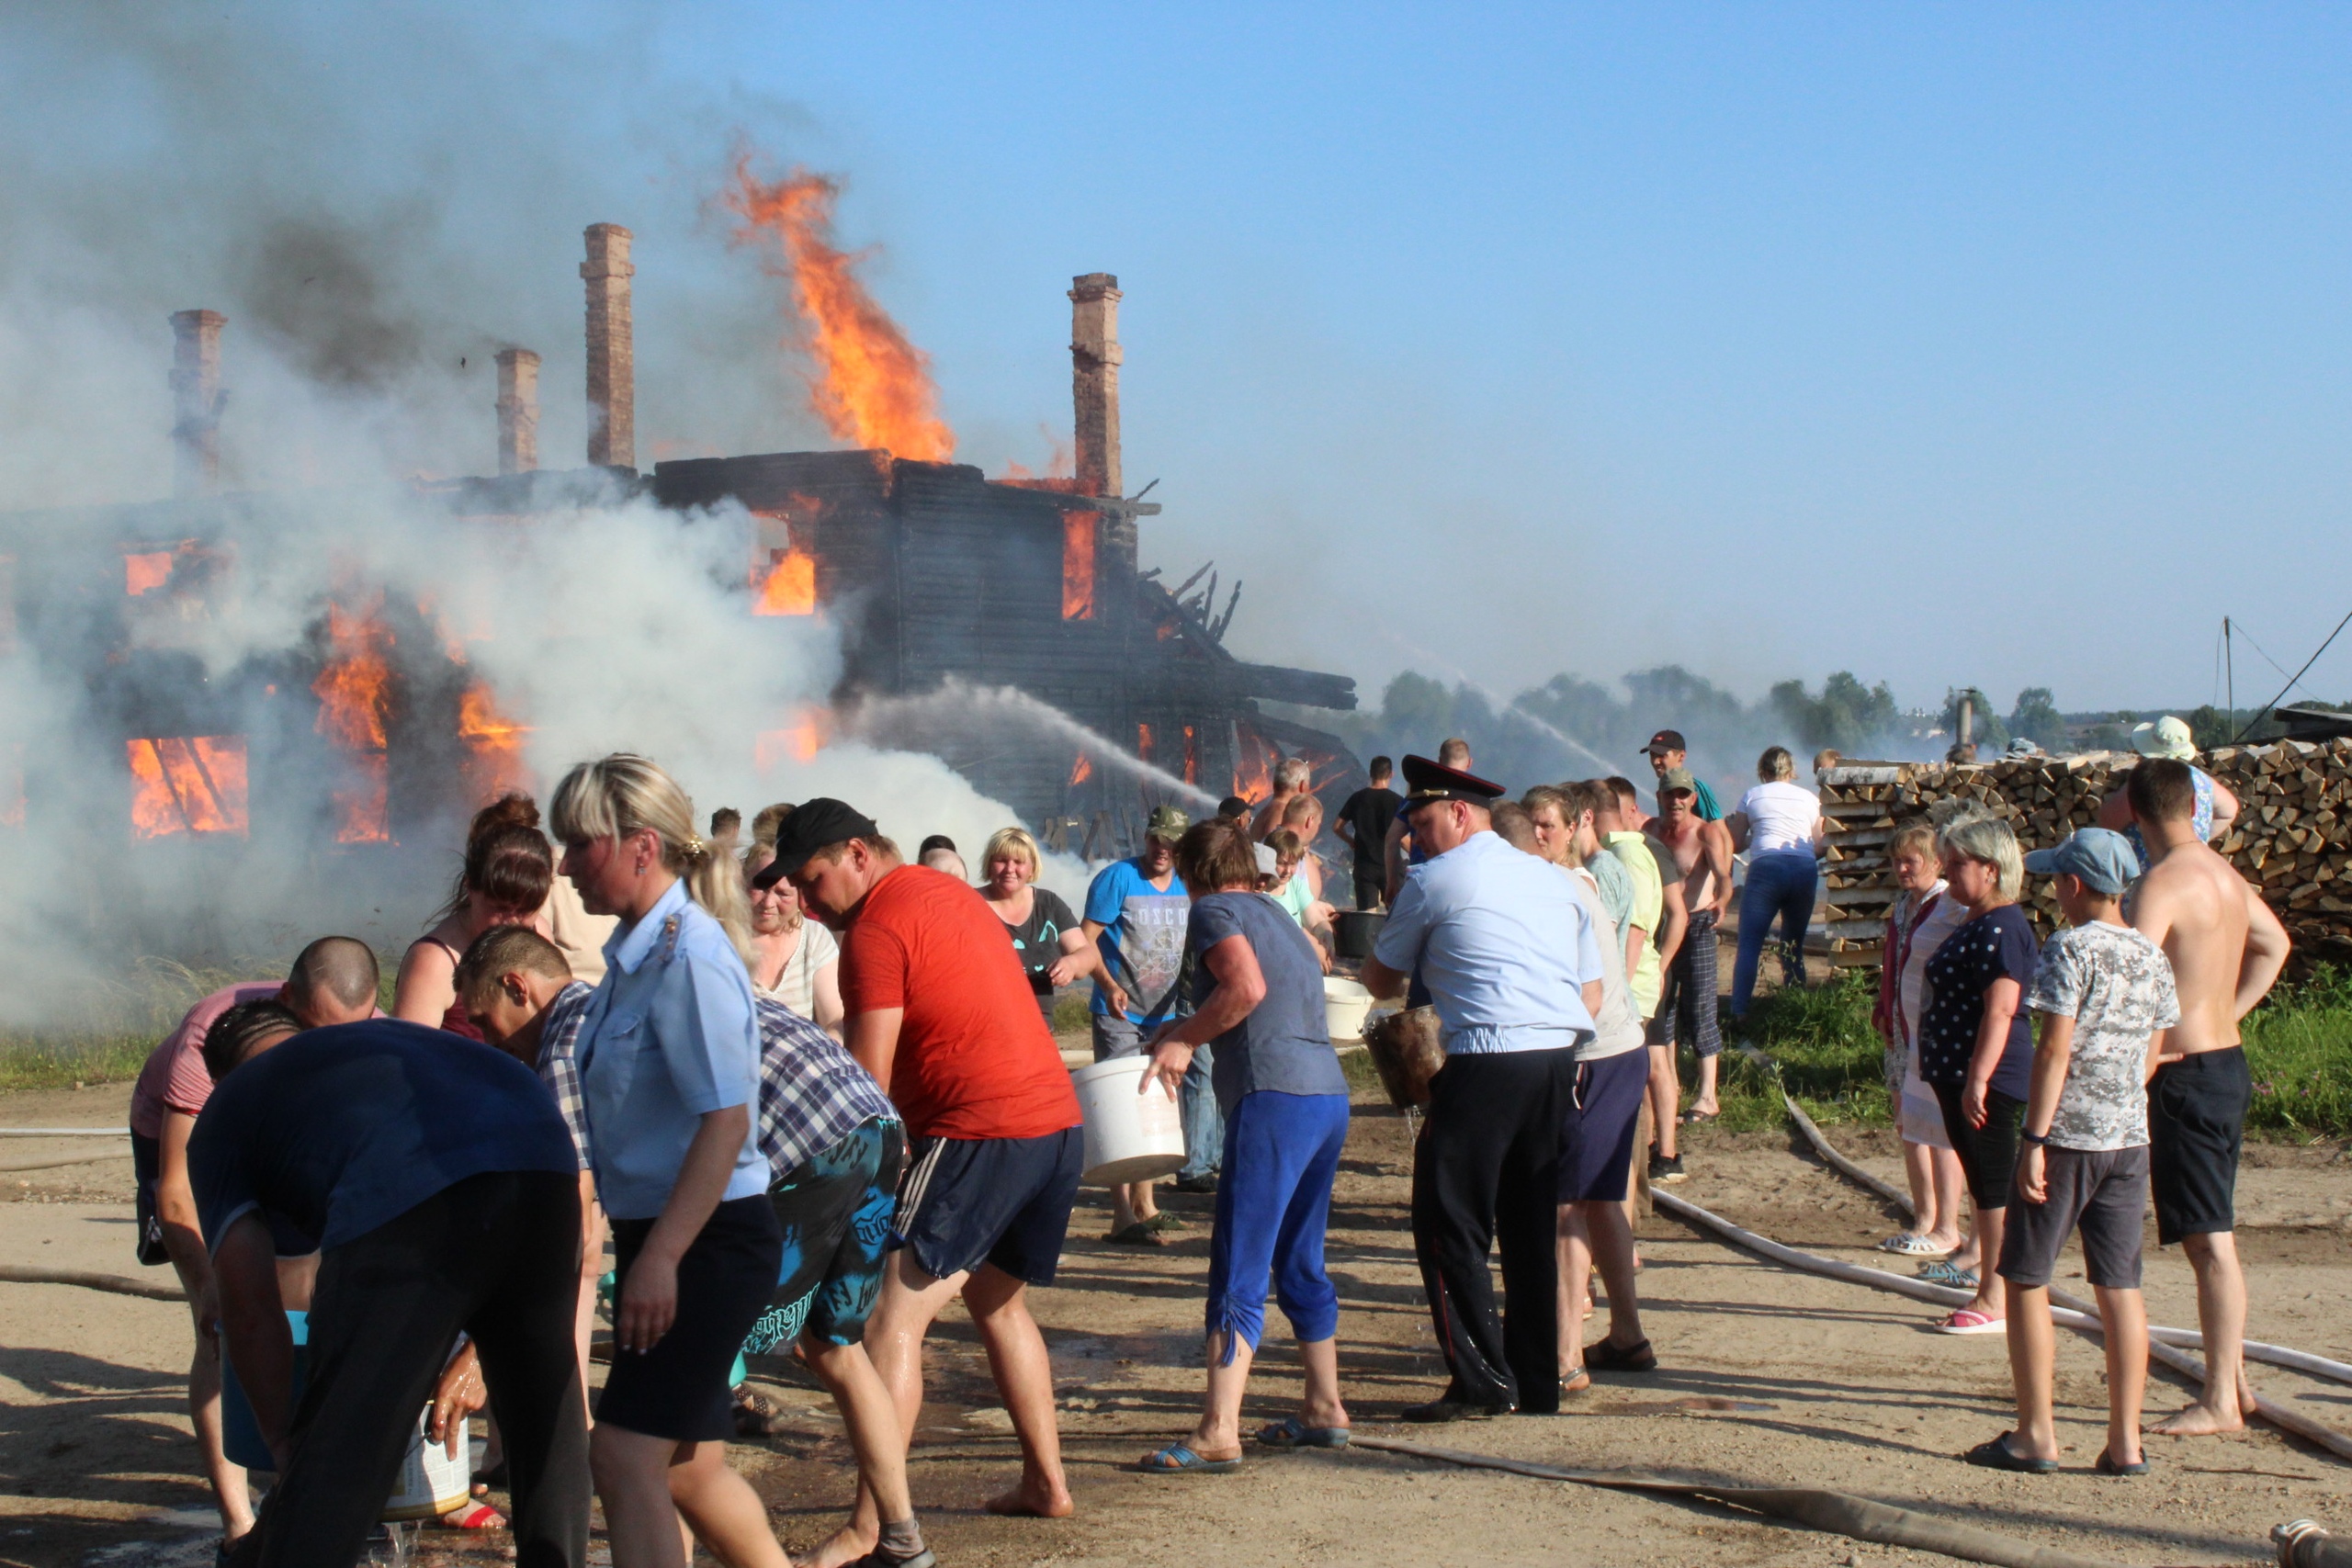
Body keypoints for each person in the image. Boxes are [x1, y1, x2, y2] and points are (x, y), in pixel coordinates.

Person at [764, 799, 1084, 1553]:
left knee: (888, 1321)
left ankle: (873, 1527)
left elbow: (868, 1093)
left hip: (982, 1129)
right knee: (999, 1301)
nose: (809, 904)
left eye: (815, 882)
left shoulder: (873, 930)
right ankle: (1048, 1483)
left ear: (857, 854)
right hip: (1056, 1123)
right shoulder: (943, 891)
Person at [192, 1018, 588, 1568]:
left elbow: (250, 1307)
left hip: (414, 1189)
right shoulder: (365, 1052)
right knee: (545, 1418)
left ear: (219, 1077)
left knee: (341, 1454)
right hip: (546, 1164)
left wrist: (286, 1444)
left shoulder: (226, 1111)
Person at [550, 753, 786, 1568]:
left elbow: (725, 1120)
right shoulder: (635, 955)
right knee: (685, 1469)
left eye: (580, 843)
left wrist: (659, 1258)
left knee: (621, 1455)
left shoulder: (688, 957)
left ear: (640, 846)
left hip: (706, 1241)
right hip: (678, 1235)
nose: (566, 864)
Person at [1362, 755, 1607, 1421]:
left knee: (1448, 1223)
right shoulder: (1554, 880)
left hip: (1487, 1060)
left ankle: (1480, 1379)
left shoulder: (1434, 878)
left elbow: (1381, 981)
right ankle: (1537, 1383)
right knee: (1529, 1225)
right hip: (1556, 1061)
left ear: (1460, 813)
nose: (1414, 836)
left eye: (1422, 820)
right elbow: (1592, 989)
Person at [127, 940, 380, 1555]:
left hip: (296, 1136)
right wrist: (213, 1283)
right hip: (181, 1151)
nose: (333, 1049)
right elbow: (179, 1194)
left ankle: (333, 1484)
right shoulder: (211, 1047)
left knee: (316, 1306)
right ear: (291, 1004)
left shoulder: (366, 1030)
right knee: (222, 1329)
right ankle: (239, 1520)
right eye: (322, 1034)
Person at [1132, 818, 1353, 1472]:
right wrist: (1186, 1024)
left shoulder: (1214, 911)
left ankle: (1218, 1428)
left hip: (1274, 1097)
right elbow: (1282, 986)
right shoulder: (1278, 913)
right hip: (1325, 1094)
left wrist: (1183, 1039)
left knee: (1241, 1256)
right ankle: (1324, 1406)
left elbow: (1246, 989)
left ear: (1192, 872)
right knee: (1299, 1256)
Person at [1967, 829, 2175, 1475]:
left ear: (2076, 885)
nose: (2054, 888)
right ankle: (2125, 1441)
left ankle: (2035, 1433)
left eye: (2058, 878)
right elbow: (2153, 1049)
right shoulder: (2150, 954)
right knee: (2120, 1285)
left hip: (2066, 1138)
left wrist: (2035, 1137)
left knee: (2026, 1276)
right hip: (2128, 1136)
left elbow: (2054, 1048)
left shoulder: (2069, 947)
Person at [2127, 756, 2290, 1437]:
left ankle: (2221, 1396)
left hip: (2186, 1071)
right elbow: (2273, 944)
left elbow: (2135, 979)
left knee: (2209, 1241)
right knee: (2210, 1231)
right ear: (2190, 807)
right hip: (2224, 1060)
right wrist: (2230, 1010)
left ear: (2138, 816)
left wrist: (2133, 1071)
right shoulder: (2226, 874)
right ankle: (2235, 1379)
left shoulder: (2163, 881)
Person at [739, 997, 932, 1567]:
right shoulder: (721, 983)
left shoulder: (608, 1023)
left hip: (819, 1145)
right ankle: (900, 1540)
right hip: (879, 1125)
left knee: (698, 1351)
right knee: (836, 1346)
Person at [1497, 798, 1651, 1391]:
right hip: (1619, 1050)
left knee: (1566, 1205)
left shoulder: (1553, 893)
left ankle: (1564, 1357)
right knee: (1601, 1198)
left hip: (1595, 1056)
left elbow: (1570, 994)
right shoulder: (1568, 881)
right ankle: (1628, 1337)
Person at [454, 926, 605, 1404]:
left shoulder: (561, 1054)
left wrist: (481, 1352)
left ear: (517, 988)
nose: (487, 1040)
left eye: (483, 1020)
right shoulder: (596, 1004)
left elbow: (571, 1224)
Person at [1917, 814, 2037, 1336]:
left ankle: (1995, 1295)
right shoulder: (1975, 920)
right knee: (1982, 1181)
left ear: (1991, 870)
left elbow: (2001, 1010)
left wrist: (1978, 1080)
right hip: (1959, 1073)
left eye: (1959, 864)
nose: (1949, 872)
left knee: (1991, 1188)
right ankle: (1989, 1283)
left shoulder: (2003, 928)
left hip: (1985, 1078)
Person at [1081, 806, 1203, 1230]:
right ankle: (1121, 1217)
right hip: (1118, 1011)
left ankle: (1146, 1206)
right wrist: (1109, 984)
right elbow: (1084, 939)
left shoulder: (1187, 886)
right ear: (1146, 836)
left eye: (1170, 843)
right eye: (1156, 839)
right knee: (1120, 1106)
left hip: (1163, 1014)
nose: (1162, 849)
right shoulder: (1119, 878)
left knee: (1153, 1102)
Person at [1871, 822, 1973, 1267]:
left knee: (1941, 1130)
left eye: (1910, 859)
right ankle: (1924, 1220)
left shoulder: (1949, 905)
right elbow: (1894, 961)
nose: (1902, 867)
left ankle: (1949, 1226)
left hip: (1935, 1035)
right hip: (1901, 1031)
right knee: (1909, 1126)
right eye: (1896, 860)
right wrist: (1883, 1006)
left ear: (1936, 863)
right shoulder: (1902, 906)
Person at [393, 794, 556, 1036]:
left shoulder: (539, 932)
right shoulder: (435, 963)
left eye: (525, 910)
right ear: (470, 888)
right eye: (499, 908)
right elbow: (407, 1057)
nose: (512, 922)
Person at [1595, 778, 1689, 1180]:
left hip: (1641, 977)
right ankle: (1651, 1150)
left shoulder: (1639, 852)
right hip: (1643, 975)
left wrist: (1661, 965)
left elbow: (1675, 914)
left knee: (1653, 1066)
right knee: (1649, 1064)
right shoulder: (1626, 849)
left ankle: (1666, 1153)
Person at [1647, 768, 1733, 1121]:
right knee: (1660, 1008)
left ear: (1693, 798)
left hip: (1697, 924)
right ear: (1660, 797)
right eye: (1670, 794)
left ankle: (1708, 1095)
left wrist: (1723, 901)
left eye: (1682, 795)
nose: (1676, 801)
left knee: (1699, 1010)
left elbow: (1725, 877)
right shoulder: (1649, 832)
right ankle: (1669, 1084)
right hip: (1662, 926)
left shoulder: (1705, 832)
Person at [1725, 747, 1826, 1018]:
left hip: (1766, 870)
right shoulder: (1810, 798)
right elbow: (1820, 844)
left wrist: (1753, 839)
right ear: (1791, 771)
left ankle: (1739, 1013)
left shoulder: (1751, 796)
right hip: (1804, 870)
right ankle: (1797, 1009)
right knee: (1793, 943)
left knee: (1749, 944)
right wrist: (1799, 858)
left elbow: (1735, 842)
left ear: (1763, 772)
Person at [977, 826, 1101, 1024]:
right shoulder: (970, 904)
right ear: (989, 864)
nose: (1010, 869)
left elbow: (1086, 954)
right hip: (986, 1026)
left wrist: (1072, 963)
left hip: (1039, 1027)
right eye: (1001, 860)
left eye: (1018, 862)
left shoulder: (1049, 904)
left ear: (1032, 868)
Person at [2098, 716, 2242, 865]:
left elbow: (2107, 821)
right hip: (2195, 868)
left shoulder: (2145, 782)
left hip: (2149, 877)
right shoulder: (2200, 779)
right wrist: (2199, 839)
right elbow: (2229, 811)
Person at [743, 842, 845, 1035]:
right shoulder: (722, 938)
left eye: (782, 894)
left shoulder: (815, 939)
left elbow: (834, 1019)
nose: (768, 903)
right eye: (761, 888)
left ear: (801, 894)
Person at [1382, 738, 1472, 905]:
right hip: (1461, 883)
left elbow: (1392, 839)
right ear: (1469, 763)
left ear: (1439, 761)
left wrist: (1392, 882)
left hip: (1421, 880)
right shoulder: (1475, 799)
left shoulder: (1421, 794)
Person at [1334, 756, 1403, 910]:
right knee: (1395, 914)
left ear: (1371, 773)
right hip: (1390, 868)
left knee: (1367, 916)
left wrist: (1351, 841)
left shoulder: (1357, 798)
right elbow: (1404, 839)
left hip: (1364, 866)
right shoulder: (1397, 801)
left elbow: (1337, 827)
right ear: (1391, 774)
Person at [1641, 730, 1723, 820]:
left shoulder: (1697, 788)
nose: (1656, 762)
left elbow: (1719, 830)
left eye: (1662, 755)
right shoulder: (1663, 788)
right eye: (1652, 755)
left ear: (1681, 756)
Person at [1250, 756, 1312, 840]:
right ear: (1303, 786)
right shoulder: (1281, 813)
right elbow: (1274, 848)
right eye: (1308, 784)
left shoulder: (1272, 808)